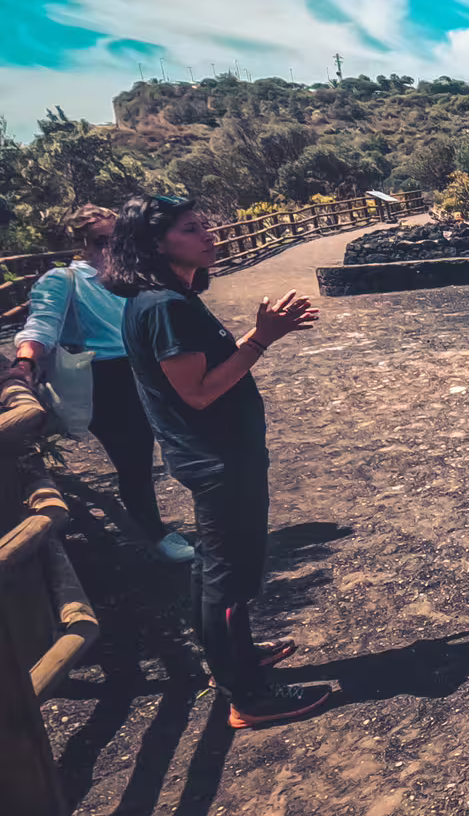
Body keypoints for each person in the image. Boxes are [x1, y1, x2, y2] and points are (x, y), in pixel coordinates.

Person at [103, 195, 333, 728]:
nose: (208, 234)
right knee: (229, 579)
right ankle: (247, 697)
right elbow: (199, 393)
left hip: (217, 454)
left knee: (215, 569)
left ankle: (235, 660)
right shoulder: (163, 306)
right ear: (156, 244)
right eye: (192, 229)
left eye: (204, 225)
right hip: (217, 459)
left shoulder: (171, 298)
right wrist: (261, 338)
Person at [6, 205, 193, 561]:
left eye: (117, 238)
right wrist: (26, 361)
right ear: (83, 244)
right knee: (133, 458)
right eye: (101, 241)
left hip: (143, 368)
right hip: (107, 378)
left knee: (162, 445)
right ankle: (154, 533)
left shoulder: (131, 277)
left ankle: (153, 527)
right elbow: (41, 325)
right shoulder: (64, 281)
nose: (111, 247)